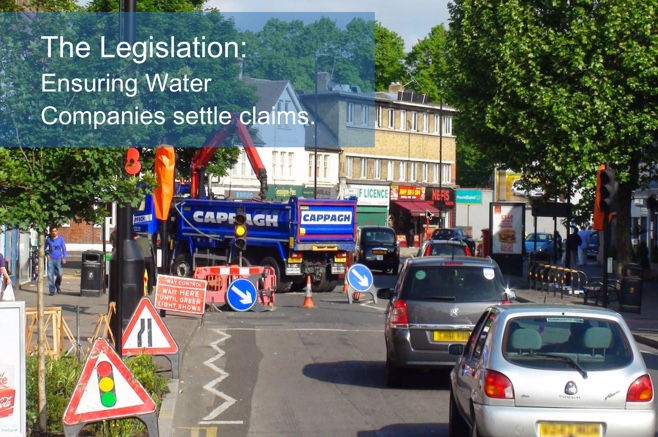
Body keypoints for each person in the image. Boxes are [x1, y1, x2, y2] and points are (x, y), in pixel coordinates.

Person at [45, 226, 67, 296]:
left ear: (57, 232)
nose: (54, 233)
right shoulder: (48, 239)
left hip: (59, 259)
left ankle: (57, 284)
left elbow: (64, 249)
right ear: (50, 232)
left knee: (60, 274)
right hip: (51, 259)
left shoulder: (60, 239)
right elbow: (43, 247)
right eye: (52, 231)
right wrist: (47, 254)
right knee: (50, 275)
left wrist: (64, 257)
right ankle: (52, 290)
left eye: (55, 231)